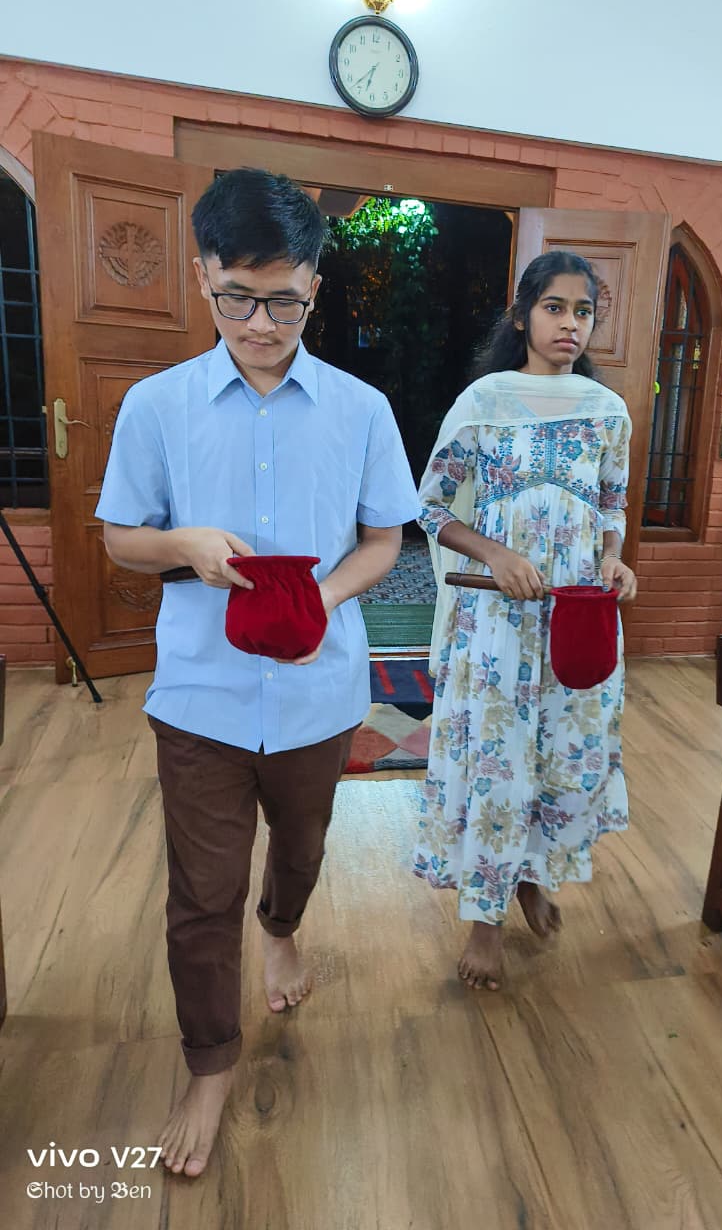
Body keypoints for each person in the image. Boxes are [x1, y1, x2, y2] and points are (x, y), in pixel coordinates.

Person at [97, 168, 419, 1176]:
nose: (260, 324)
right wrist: (183, 544)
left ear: (316, 285)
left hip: (321, 691)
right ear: (203, 275)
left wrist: (320, 598)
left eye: (283, 301)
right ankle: (210, 1062)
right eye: (238, 297)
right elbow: (118, 537)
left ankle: (282, 926)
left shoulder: (362, 410)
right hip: (201, 695)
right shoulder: (156, 407)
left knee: (303, 847)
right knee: (201, 893)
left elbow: (386, 538)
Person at [413, 250, 637, 990]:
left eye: (583, 311)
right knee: (499, 759)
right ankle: (485, 919)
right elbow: (431, 506)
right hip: (496, 620)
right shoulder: (484, 402)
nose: (570, 323)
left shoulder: (606, 412)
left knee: (565, 755)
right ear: (521, 316)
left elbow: (612, 503)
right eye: (554, 308)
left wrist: (613, 559)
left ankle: (533, 876)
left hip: (576, 617)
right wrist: (496, 553)